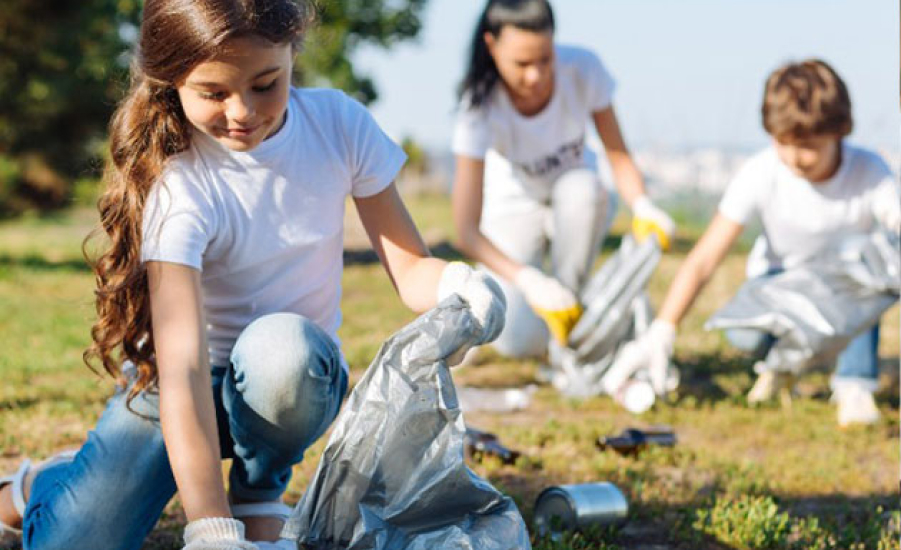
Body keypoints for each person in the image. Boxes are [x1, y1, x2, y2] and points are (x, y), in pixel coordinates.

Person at [0, 0, 506, 548]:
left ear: (292, 55)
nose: (242, 112)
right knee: (77, 541)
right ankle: (39, 485)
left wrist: (458, 283)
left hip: (287, 383)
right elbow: (185, 369)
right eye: (214, 94)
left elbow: (410, 271)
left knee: (281, 350)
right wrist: (209, 528)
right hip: (173, 387)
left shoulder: (339, 126)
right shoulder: (180, 184)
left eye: (266, 84)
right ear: (171, 82)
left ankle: (260, 487)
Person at [614, 59, 900, 426]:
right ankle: (781, 365)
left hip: (846, 287)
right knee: (743, 335)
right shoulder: (762, 172)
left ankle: (855, 383)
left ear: (840, 131)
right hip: (779, 285)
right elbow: (704, 259)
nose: (796, 158)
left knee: (871, 279)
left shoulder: (868, 171)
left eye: (810, 145)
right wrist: (663, 329)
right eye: (784, 143)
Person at [451, 0, 676, 359]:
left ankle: (573, 315)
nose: (536, 76)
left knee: (583, 190)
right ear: (492, 46)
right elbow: (466, 232)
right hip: (514, 207)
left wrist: (643, 205)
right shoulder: (478, 109)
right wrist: (529, 281)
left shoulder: (583, 69)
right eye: (522, 64)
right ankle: (554, 315)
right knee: (518, 342)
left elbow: (617, 156)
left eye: (544, 59)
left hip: (576, 197)